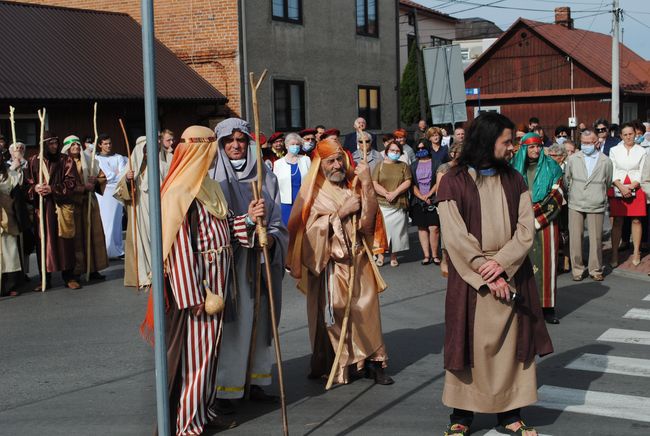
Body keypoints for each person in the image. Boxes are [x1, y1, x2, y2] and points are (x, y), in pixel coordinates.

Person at [140, 125, 263, 435]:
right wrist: (194, 297)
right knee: (195, 359)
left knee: (210, 353)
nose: (214, 154)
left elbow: (220, 233)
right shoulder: (181, 192)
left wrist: (247, 219)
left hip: (218, 281)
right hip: (198, 292)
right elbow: (177, 250)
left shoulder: (207, 185)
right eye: (210, 148)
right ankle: (188, 423)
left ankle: (203, 411)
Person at [436, 112, 553, 436]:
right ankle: (462, 415)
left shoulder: (514, 180)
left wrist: (502, 265)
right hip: (472, 277)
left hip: (512, 272)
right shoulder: (453, 181)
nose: (512, 147)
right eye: (507, 142)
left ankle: (509, 414)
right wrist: (487, 273)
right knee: (468, 344)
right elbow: (455, 237)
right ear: (488, 142)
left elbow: (526, 230)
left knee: (513, 347)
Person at [286, 137, 393, 385]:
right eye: (330, 161)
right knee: (335, 313)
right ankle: (340, 362)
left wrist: (367, 185)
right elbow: (309, 231)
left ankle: (374, 363)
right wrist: (341, 213)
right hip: (330, 265)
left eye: (339, 160)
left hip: (358, 259)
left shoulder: (353, 185)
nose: (336, 166)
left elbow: (369, 224)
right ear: (320, 164)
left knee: (367, 311)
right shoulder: (312, 192)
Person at [211, 118, 288, 412]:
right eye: (229, 140)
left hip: (262, 260)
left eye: (241, 140)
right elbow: (212, 226)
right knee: (236, 323)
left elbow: (279, 219)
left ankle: (255, 380)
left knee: (261, 321)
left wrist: (271, 237)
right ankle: (227, 387)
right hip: (233, 264)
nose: (235, 145)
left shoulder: (265, 176)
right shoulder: (214, 177)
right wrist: (245, 222)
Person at [512, 132, 564, 324]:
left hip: (545, 222)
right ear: (523, 148)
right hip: (519, 222)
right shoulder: (513, 168)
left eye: (538, 146)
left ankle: (547, 308)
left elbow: (557, 195)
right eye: (530, 147)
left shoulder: (553, 167)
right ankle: (523, 305)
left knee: (547, 263)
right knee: (520, 264)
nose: (535, 150)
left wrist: (535, 214)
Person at [114, 136, 173, 289]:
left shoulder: (164, 165)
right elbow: (120, 191)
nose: (148, 154)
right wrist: (128, 180)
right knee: (142, 241)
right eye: (145, 151)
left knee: (160, 238)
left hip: (160, 209)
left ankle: (162, 271)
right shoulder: (131, 168)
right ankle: (145, 273)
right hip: (139, 209)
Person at [26, 132, 81, 290]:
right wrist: (35, 188)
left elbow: (71, 183)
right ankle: (45, 278)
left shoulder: (65, 160)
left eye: (56, 143)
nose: (54, 146)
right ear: (43, 144)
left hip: (60, 207)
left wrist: (53, 188)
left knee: (65, 241)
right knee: (44, 242)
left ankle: (68, 276)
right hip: (42, 209)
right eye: (50, 143)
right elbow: (25, 186)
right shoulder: (33, 162)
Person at [564, 130, 613, 281]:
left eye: (589, 143)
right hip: (576, 202)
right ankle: (577, 270)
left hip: (596, 202)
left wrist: (599, 194)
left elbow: (608, 181)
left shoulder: (606, 161)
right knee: (575, 238)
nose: (586, 145)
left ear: (596, 142)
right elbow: (567, 179)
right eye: (583, 143)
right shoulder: (573, 159)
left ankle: (595, 269)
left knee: (596, 239)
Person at [61, 135, 109, 282]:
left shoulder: (89, 160)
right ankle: (75, 271)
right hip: (72, 205)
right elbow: (61, 184)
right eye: (72, 145)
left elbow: (102, 177)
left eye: (77, 145)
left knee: (92, 236)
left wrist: (95, 181)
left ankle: (93, 269)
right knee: (75, 239)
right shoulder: (62, 164)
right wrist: (82, 188)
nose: (75, 147)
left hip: (89, 204)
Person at [609, 122, 647, 267]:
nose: (628, 137)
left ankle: (636, 252)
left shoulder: (642, 151)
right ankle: (614, 253)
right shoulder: (614, 150)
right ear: (621, 136)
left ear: (635, 134)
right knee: (618, 221)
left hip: (636, 186)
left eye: (631, 134)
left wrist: (631, 186)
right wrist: (620, 186)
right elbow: (611, 170)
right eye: (625, 134)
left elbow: (643, 171)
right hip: (618, 185)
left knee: (636, 220)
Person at [372, 140, 412, 267]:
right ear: (387, 151)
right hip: (382, 203)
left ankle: (394, 256)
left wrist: (395, 193)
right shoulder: (380, 165)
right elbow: (374, 182)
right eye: (392, 150)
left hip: (398, 203)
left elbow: (408, 181)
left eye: (397, 151)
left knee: (396, 232)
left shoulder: (403, 166)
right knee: (381, 231)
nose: (394, 153)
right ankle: (381, 256)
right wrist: (386, 194)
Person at [95, 134, 128, 259]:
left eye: (109, 143)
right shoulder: (96, 158)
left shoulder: (118, 157)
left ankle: (117, 249)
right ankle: (105, 250)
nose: (108, 146)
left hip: (116, 191)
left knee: (117, 221)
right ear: (100, 145)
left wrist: (111, 176)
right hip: (102, 192)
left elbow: (121, 174)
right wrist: (111, 175)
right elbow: (102, 175)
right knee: (104, 221)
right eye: (105, 144)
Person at [410, 139, 442, 265]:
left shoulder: (436, 163)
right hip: (418, 200)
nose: (420, 150)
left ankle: (435, 255)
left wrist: (429, 195)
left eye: (423, 148)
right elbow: (411, 184)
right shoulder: (413, 165)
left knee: (434, 228)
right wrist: (422, 197)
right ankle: (426, 255)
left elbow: (438, 181)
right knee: (422, 228)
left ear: (428, 148)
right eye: (418, 148)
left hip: (433, 199)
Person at [436, 142, 462, 278]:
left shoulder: (468, 168)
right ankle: (445, 260)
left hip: (462, 204)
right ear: (452, 154)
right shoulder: (444, 168)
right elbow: (440, 188)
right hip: (446, 202)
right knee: (446, 234)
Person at [273, 132, 311, 225]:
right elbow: (275, 185)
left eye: (297, 144)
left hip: (303, 201)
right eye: (292, 144)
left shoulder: (306, 160)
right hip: (286, 203)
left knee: (303, 228)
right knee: (288, 228)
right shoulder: (278, 163)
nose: (295, 146)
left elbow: (311, 179)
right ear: (286, 146)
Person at [0, 157, 24, 296]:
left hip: (7, 215)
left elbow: (13, 186)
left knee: (9, 251)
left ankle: (11, 285)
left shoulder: (8, 173)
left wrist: (15, 168)